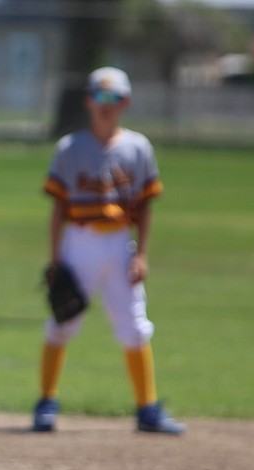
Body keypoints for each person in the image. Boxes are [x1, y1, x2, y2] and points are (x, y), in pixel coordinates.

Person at [32, 66, 185, 435]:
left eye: (114, 98)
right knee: (63, 319)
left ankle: (147, 408)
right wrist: (55, 258)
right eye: (99, 97)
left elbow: (145, 207)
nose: (106, 105)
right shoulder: (70, 148)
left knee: (134, 325)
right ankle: (46, 402)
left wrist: (142, 254)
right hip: (79, 241)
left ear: (125, 103)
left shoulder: (137, 148)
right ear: (88, 101)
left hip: (119, 243)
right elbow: (58, 208)